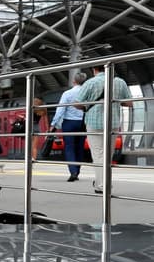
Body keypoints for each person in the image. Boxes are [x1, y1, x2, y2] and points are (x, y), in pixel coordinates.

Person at [75, 66, 133, 195]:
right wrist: (114, 101)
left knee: (98, 154)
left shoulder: (90, 82)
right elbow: (129, 103)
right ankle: (101, 183)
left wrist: (87, 105)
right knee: (108, 155)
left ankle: (102, 185)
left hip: (94, 122)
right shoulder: (119, 82)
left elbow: (77, 103)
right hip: (113, 122)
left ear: (94, 69)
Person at [50, 73, 87, 181]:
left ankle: (73, 171)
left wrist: (53, 124)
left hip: (69, 123)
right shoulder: (87, 93)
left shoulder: (67, 93)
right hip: (82, 122)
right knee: (80, 147)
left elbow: (60, 110)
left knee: (69, 147)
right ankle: (77, 171)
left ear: (74, 81)